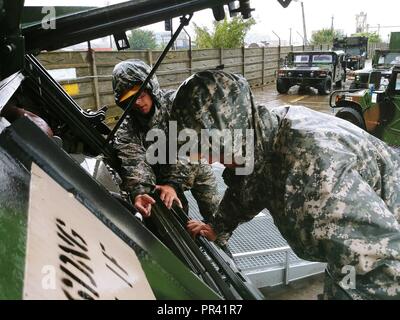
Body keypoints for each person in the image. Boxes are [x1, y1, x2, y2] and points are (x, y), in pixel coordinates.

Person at [170, 69, 400, 300]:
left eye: (210, 146)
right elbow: (251, 181)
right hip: (355, 250)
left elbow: (378, 264)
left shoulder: (313, 176)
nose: (205, 159)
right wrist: (218, 226)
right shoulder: (262, 132)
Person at [112, 59, 220, 223]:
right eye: (130, 100)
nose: (138, 103)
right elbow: (134, 162)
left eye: (140, 95)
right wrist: (140, 191)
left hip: (193, 165)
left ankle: (220, 239)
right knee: (174, 211)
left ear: (150, 90)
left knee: (214, 213)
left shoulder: (178, 105)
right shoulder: (126, 128)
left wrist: (173, 184)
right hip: (159, 173)